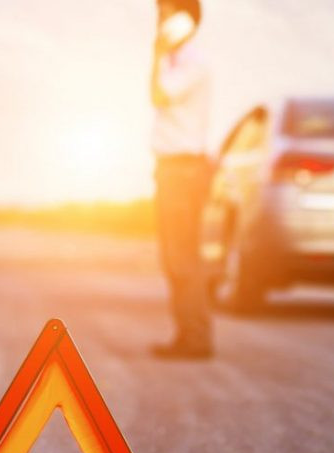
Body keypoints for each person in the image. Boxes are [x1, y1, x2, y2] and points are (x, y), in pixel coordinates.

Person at [149, 0, 213, 359]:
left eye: (164, 12)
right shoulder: (178, 62)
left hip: (183, 169)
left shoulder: (193, 63)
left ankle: (196, 338)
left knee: (182, 257)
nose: (159, 18)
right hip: (172, 167)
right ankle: (186, 334)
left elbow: (158, 95)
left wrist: (155, 53)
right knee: (174, 258)